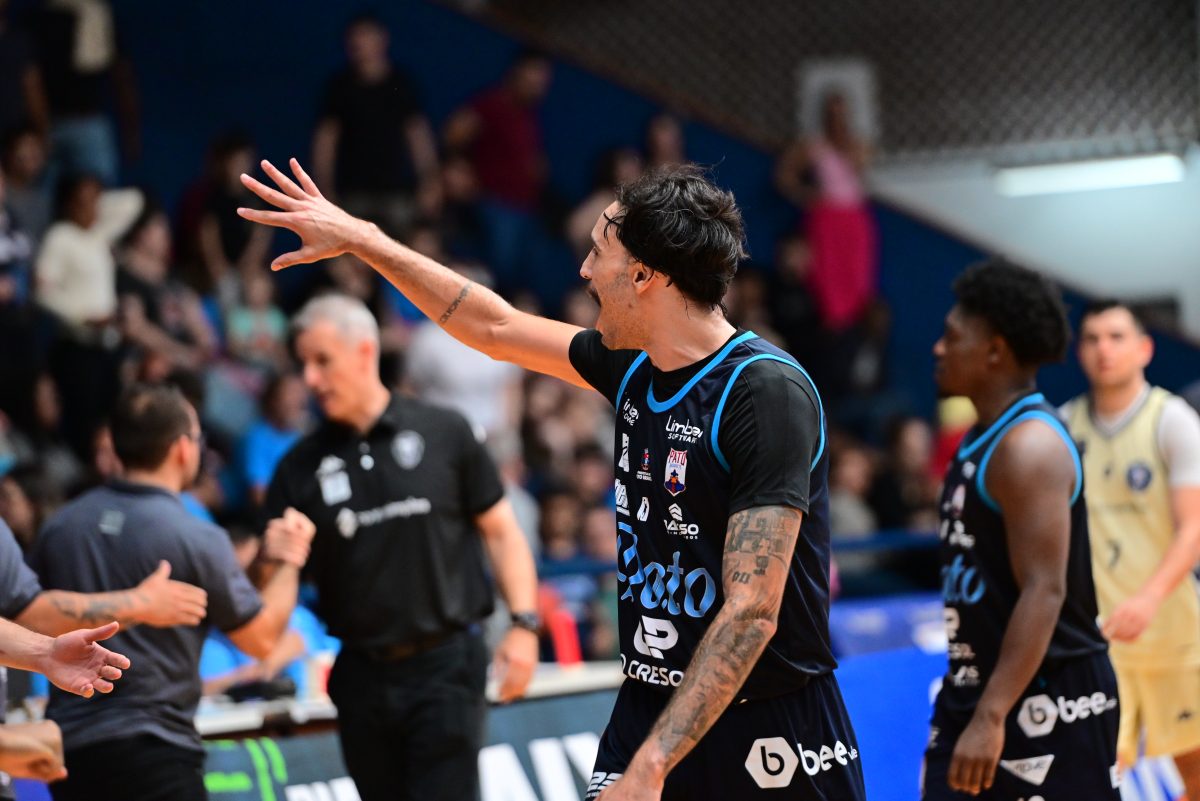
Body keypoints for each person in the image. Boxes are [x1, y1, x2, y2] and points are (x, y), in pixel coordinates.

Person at [239, 158, 863, 800]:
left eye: (598, 253)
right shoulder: (633, 366)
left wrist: (653, 766)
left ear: (644, 275)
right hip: (650, 705)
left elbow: (752, 612)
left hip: (769, 719)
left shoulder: (763, 392)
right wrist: (364, 239)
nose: (584, 271)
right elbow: (493, 326)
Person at [257, 294, 539, 801]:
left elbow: (501, 531)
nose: (311, 379)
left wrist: (523, 624)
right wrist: (268, 558)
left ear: (365, 351)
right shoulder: (297, 468)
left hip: (446, 667)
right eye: (303, 365)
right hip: (360, 676)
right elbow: (270, 601)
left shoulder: (445, 431)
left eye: (323, 361)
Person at [29, 384, 314, 801]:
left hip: (71, 754)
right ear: (182, 449)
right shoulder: (195, 536)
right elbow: (262, 639)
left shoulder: (60, 526)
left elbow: (25, 618)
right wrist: (290, 560)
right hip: (156, 748)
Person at [922, 260, 1118, 799]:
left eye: (952, 336)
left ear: (995, 351)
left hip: (1049, 698)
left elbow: (1044, 589)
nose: (938, 348)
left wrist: (991, 715)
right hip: (977, 690)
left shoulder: (1029, 445)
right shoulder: (979, 437)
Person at [1062, 300, 1200, 795]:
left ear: (1144, 348)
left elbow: (1194, 527)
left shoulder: (1172, 419)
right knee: (1096, 772)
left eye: (1116, 337)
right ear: (1079, 351)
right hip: (1100, 637)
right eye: (1092, 338)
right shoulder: (1064, 425)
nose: (1104, 349)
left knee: (1195, 773)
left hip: (1172, 632)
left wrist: (1148, 598)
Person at [312, 13, 438, 238]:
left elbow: (418, 135)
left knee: (399, 249)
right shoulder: (340, 87)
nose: (359, 43)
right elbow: (326, 139)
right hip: (353, 191)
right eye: (354, 37)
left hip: (395, 190)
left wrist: (429, 181)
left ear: (382, 39)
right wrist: (324, 188)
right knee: (350, 248)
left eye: (365, 36)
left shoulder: (401, 83)